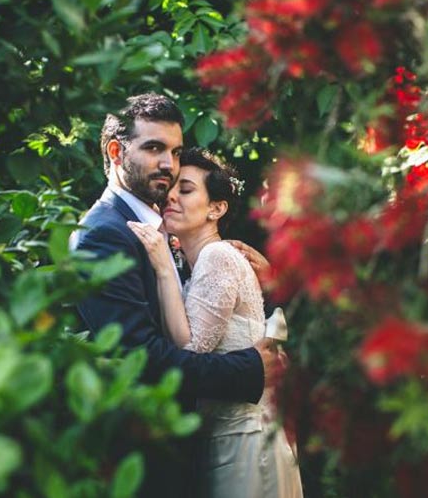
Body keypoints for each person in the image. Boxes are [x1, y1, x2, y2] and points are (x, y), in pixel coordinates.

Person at [71, 93, 283, 497]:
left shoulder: (166, 233)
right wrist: (251, 370)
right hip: (148, 464)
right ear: (116, 152)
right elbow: (140, 358)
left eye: (175, 150)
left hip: (198, 451)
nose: (168, 164)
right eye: (154, 148)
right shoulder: (103, 235)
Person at [128, 148, 303, 498]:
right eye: (172, 187)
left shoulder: (217, 256)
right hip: (232, 436)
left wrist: (163, 267)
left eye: (187, 189)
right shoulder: (205, 263)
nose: (172, 195)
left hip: (245, 441)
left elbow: (192, 351)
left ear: (216, 209)